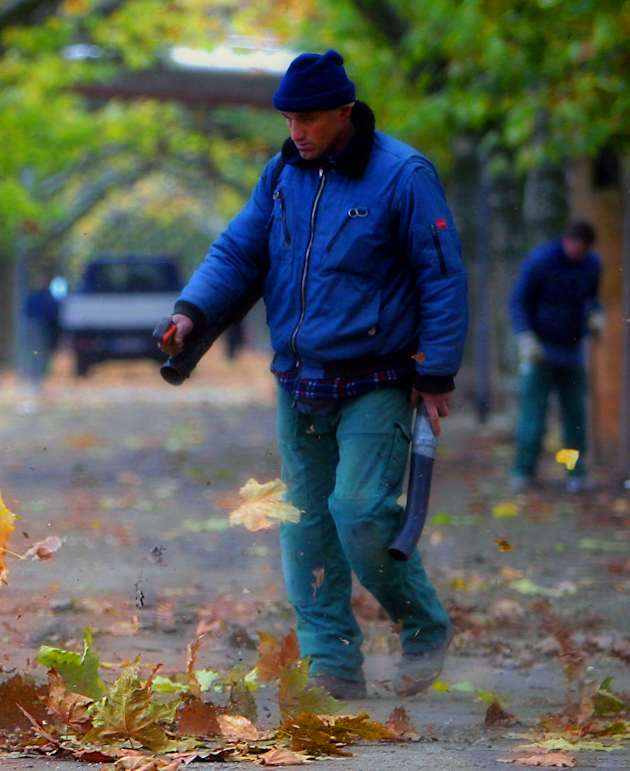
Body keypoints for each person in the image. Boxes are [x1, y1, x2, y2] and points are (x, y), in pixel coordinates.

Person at [158, 50, 467, 700]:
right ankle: (332, 664)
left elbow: (441, 277)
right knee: (304, 524)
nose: (296, 130)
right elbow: (240, 250)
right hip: (300, 379)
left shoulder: (403, 176)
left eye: (310, 118)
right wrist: (190, 313)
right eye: (289, 118)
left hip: (379, 377)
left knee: (358, 512)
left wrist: (436, 373)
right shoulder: (281, 176)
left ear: (345, 113)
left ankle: (422, 625)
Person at [509, 220, 602, 492]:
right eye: (576, 248)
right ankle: (524, 472)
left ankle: (575, 473)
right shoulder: (541, 260)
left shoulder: (591, 263)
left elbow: (593, 298)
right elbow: (518, 300)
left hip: (572, 353)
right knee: (534, 418)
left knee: (574, 418)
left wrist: (596, 315)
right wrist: (525, 336)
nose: (579, 254)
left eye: (584, 250)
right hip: (540, 351)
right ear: (567, 240)